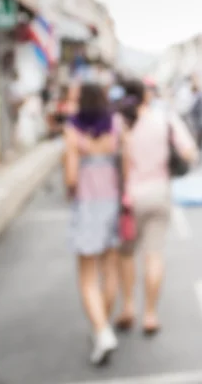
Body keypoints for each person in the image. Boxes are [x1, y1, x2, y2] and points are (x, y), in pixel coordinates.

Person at [116, 79, 198, 335]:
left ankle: (128, 306)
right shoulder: (164, 120)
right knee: (154, 254)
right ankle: (150, 313)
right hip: (159, 193)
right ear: (146, 97)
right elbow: (190, 153)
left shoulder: (119, 124)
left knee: (126, 255)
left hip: (127, 199)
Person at [64, 83, 121, 365]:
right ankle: (103, 325)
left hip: (87, 207)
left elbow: (71, 177)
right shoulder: (115, 125)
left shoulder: (73, 128)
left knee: (87, 276)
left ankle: (102, 330)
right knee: (109, 270)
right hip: (112, 202)